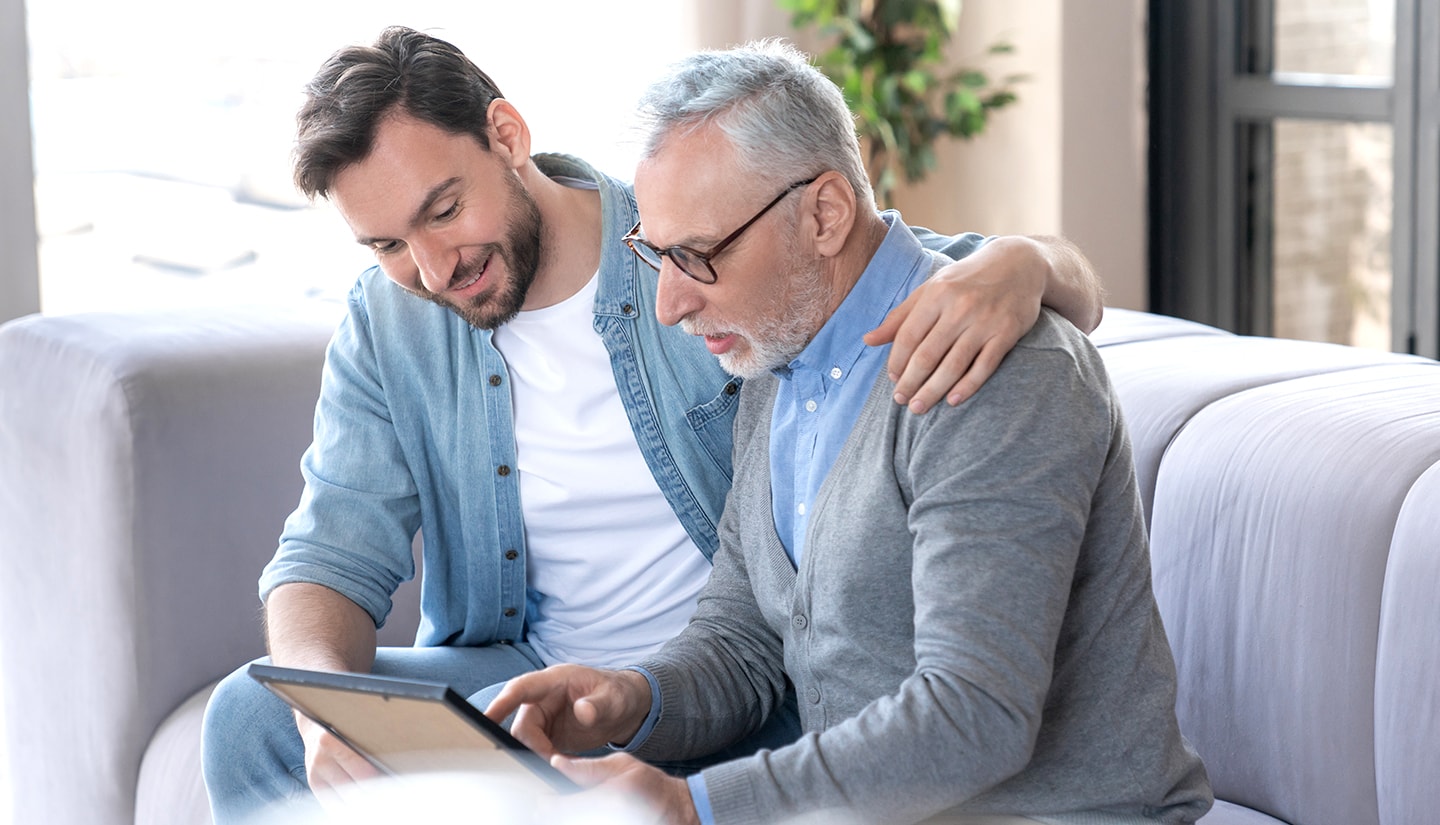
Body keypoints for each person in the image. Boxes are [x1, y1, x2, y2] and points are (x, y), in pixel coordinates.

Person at [199, 27, 1105, 823]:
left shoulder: (709, 251)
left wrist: (1032, 261)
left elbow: (892, 263)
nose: (433, 269)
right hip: (583, 688)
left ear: (507, 136)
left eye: (442, 211)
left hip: (756, 703)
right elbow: (328, 551)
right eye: (389, 245)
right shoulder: (402, 320)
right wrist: (333, 714)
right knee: (251, 718)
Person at [486, 40, 1213, 825]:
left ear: (825, 214)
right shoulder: (773, 355)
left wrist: (696, 805)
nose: (669, 305)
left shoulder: (991, 368)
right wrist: (627, 697)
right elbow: (744, 641)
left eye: (695, 257)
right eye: (657, 255)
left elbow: (975, 715)